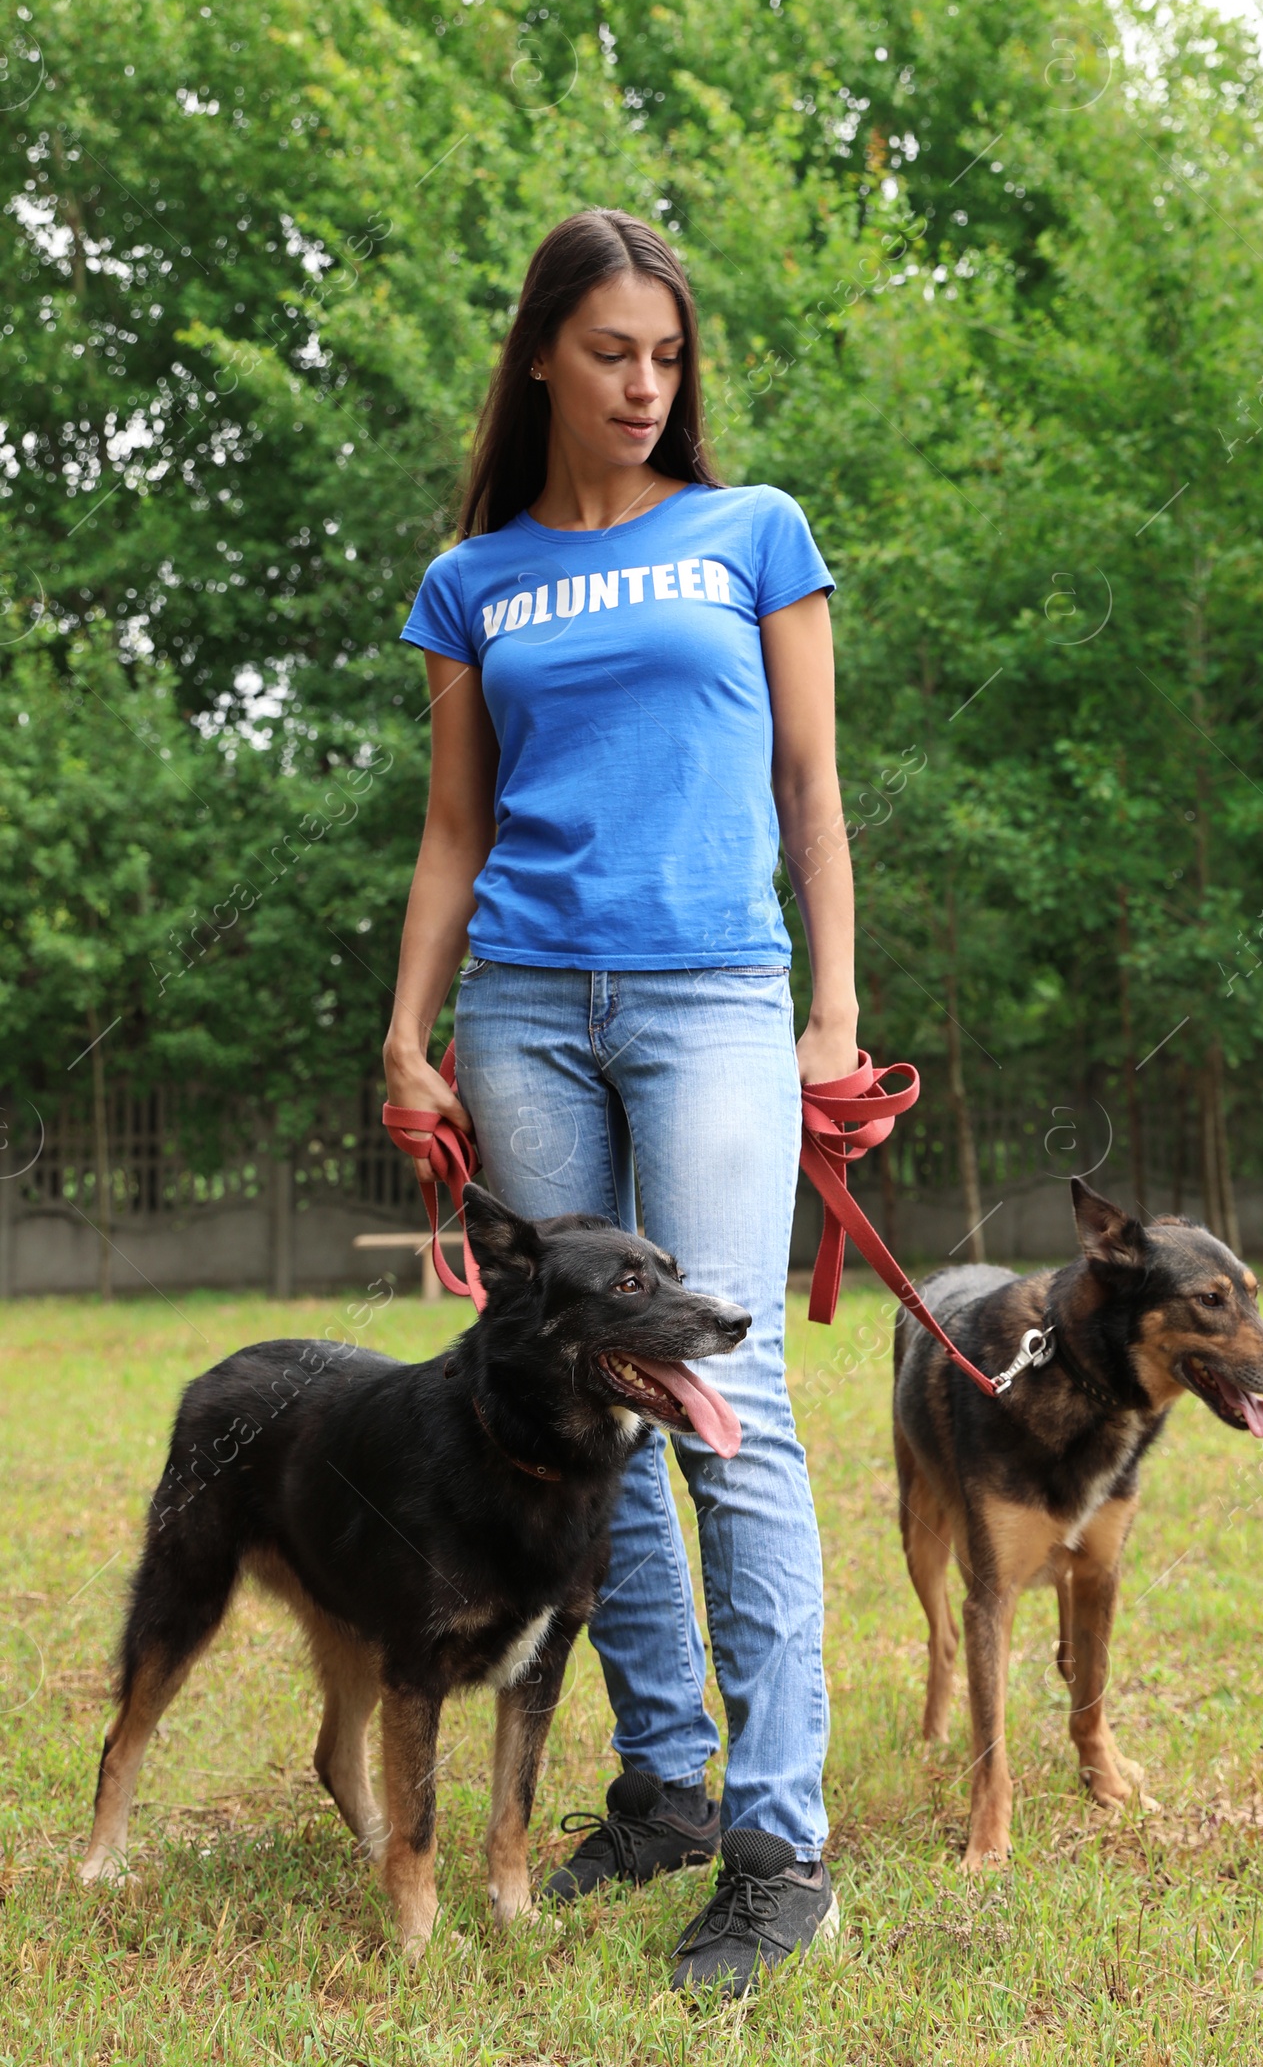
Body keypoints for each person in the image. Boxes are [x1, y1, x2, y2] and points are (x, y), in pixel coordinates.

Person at [383, 208, 857, 1998]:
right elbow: (452, 832)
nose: (646, 386)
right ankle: (659, 1782)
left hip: (717, 996)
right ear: (541, 362)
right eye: (612, 354)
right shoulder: (474, 579)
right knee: (587, 1398)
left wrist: (834, 1010)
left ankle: (778, 1838)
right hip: (520, 1006)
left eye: (668, 357)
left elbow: (812, 790)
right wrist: (408, 1029)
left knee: (725, 1387)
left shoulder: (753, 536)